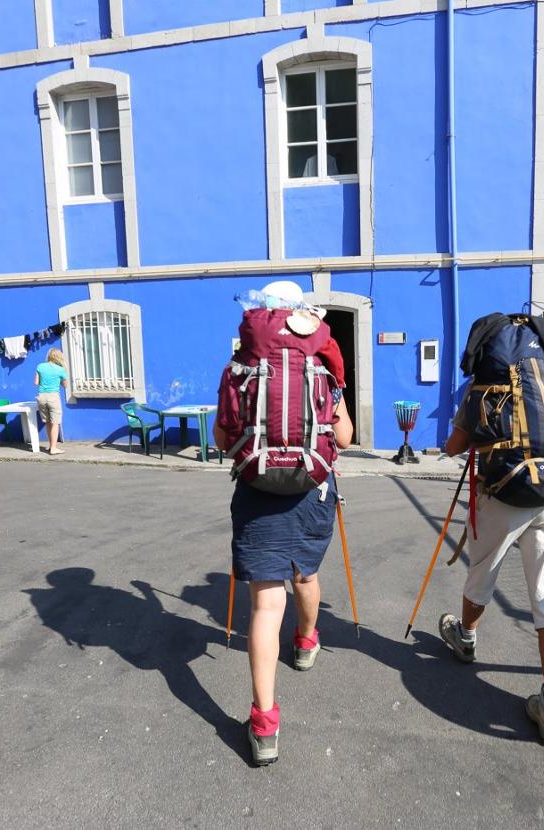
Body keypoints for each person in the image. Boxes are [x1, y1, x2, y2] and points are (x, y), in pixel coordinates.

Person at [214, 280, 353, 767]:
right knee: (307, 576)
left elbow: (220, 435)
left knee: (266, 606)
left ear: (262, 313)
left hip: (257, 488)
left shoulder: (241, 364)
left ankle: (264, 722)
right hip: (313, 488)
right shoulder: (323, 363)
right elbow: (347, 436)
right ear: (303, 315)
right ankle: (307, 641)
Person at [437, 314, 544, 748]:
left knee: (481, 572)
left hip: (502, 496)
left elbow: (454, 447)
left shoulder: (484, 386)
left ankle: (465, 639)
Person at [34, 348, 68, 455]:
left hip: (41, 396)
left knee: (48, 422)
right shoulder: (60, 369)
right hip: (53, 396)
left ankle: (51, 446)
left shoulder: (40, 366)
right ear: (58, 357)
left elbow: (36, 382)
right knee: (55, 422)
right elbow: (65, 385)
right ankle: (53, 448)